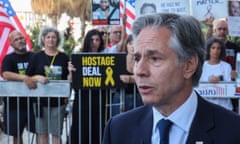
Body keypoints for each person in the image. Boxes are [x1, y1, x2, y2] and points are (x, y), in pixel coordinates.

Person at [103, 13, 240, 144]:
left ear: (188, 65)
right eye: (138, 58)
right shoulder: (118, 130)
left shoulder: (233, 131)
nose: (139, 71)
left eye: (155, 59)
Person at [26, 27, 69, 144]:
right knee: (42, 134)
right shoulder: (36, 57)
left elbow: (68, 79)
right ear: (43, 39)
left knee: (56, 134)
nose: (51, 40)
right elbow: (27, 76)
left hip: (58, 101)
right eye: (48, 37)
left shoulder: (63, 57)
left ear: (58, 40)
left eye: (54, 37)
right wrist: (37, 77)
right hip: (40, 101)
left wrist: (67, 94)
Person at [68, 29, 106, 144]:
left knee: (97, 127)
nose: (94, 42)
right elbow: (71, 80)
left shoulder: (106, 57)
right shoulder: (78, 57)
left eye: (97, 40)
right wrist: (70, 71)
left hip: (99, 98)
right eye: (92, 40)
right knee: (81, 127)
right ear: (87, 41)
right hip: (82, 99)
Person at [1, 30, 37, 144]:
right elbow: (6, 74)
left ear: (25, 39)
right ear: (11, 43)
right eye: (16, 39)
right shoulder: (9, 58)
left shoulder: (35, 56)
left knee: (40, 133)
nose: (20, 41)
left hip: (34, 102)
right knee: (16, 135)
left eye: (21, 38)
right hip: (14, 104)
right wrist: (24, 78)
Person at [205, 17, 240, 112]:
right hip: (209, 95)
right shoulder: (207, 48)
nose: (222, 31)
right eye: (219, 29)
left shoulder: (235, 48)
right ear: (214, 30)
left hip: (231, 94)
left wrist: (237, 74)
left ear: (228, 31)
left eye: (224, 29)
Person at [112, 34, 143, 115]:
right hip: (120, 97)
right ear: (126, 45)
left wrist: (131, 79)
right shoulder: (119, 59)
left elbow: (146, 76)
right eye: (130, 43)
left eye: (135, 43)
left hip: (138, 96)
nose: (133, 46)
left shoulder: (143, 60)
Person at [200, 38, 233, 110]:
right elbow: (197, 86)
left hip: (224, 107)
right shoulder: (202, 66)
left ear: (221, 51)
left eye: (218, 48)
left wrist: (220, 80)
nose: (216, 51)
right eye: (213, 48)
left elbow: (230, 87)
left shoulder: (227, 66)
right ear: (209, 49)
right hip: (206, 107)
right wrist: (209, 80)